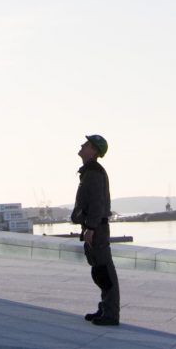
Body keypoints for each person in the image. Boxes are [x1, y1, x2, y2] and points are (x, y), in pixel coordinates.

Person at [71, 133, 118, 325]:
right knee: (99, 272)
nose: (82, 145)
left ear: (94, 150)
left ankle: (110, 314)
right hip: (93, 228)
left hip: (96, 229)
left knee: (104, 272)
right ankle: (105, 308)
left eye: (87, 144)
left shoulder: (94, 172)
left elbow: (97, 204)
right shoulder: (90, 171)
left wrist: (90, 228)